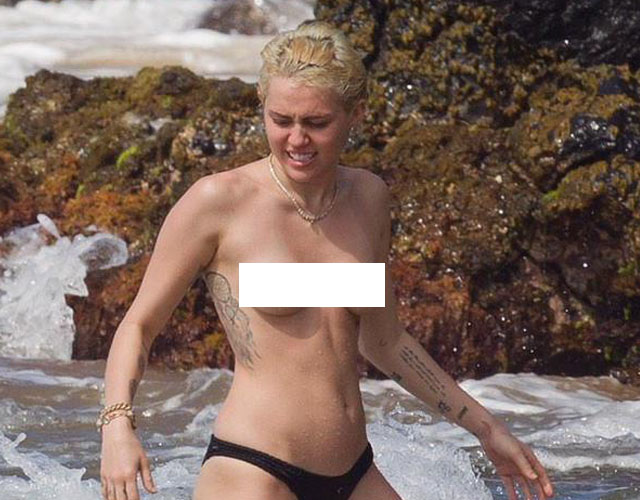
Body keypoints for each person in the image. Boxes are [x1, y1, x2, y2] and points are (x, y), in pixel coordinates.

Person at [99, 21, 555, 500]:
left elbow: (385, 341)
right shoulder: (219, 202)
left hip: (355, 473)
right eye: (281, 120)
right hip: (254, 468)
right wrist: (117, 427)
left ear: (355, 114)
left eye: (317, 123)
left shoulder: (368, 198)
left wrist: (486, 428)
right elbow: (139, 326)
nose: (297, 139)